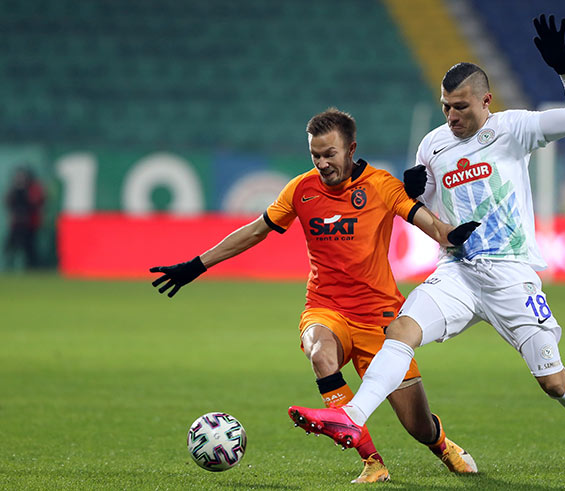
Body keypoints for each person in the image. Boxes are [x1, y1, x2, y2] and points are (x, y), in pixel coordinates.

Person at [288, 15, 565, 478]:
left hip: (511, 275)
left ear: (486, 101)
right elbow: (430, 211)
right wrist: (416, 190)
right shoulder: (433, 144)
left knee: (552, 381)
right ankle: (351, 417)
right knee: (400, 331)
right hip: (458, 273)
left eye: (461, 107)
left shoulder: (515, 129)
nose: (451, 117)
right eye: (446, 107)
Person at [150, 108, 479, 483]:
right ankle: (372, 462)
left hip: (380, 320)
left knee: (418, 425)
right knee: (320, 352)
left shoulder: (380, 185)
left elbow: (423, 219)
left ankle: (442, 445)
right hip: (325, 309)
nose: (322, 163)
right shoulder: (301, 189)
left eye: (329, 154)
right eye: (315, 155)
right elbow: (256, 230)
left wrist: (448, 234)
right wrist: (196, 265)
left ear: (351, 149)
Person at [4, 166, 45, 270]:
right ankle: (9, 267)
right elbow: (8, 202)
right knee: (10, 248)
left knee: (29, 248)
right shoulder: (14, 189)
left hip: (30, 224)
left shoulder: (33, 188)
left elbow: (37, 203)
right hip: (16, 223)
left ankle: (32, 268)